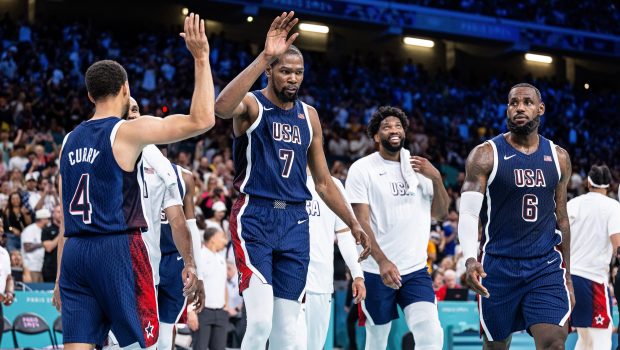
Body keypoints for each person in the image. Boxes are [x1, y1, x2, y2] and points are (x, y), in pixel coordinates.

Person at [51, 13, 214, 350]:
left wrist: (57, 278)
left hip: (76, 255)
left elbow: (67, 218)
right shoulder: (125, 132)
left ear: (89, 96)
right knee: (143, 346)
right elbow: (202, 119)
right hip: (117, 248)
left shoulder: (68, 141)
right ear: (125, 89)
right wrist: (200, 58)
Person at [213, 11, 370, 350]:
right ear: (270, 71)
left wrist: (353, 223)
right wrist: (265, 55)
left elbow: (325, 183)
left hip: (296, 221)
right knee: (259, 323)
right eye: (285, 70)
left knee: (287, 329)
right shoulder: (253, 105)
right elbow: (221, 108)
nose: (293, 78)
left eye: (298, 72)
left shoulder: (309, 115)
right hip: (255, 215)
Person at [458, 83, 574, 349]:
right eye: (513, 103)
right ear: (507, 108)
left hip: (544, 266)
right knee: (496, 346)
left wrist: (568, 275)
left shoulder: (559, 157)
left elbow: (563, 219)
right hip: (498, 266)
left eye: (527, 102)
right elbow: (467, 212)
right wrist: (469, 258)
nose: (520, 107)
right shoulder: (485, 155)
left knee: (554, 342)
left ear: (540, 109)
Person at [346, 106, 448, 350]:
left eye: (398, 126)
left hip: (415, 270)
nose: (394, 130)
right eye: (386, 127)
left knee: (431, 335)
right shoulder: (362, 169)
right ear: (376, 136)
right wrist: (382, 262)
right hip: (375, 271)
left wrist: (436, 178)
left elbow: (440, 213)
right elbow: (361, 223)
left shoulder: (420, 168)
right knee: (378, 339)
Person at [125, 97, 206, 350]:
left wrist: (197, 271)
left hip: (173, 259)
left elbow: (190, 226)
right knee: (140, 330)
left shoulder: (184, 177)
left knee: (166, 330)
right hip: (141, 256)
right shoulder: (126, 163)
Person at [294, 170, 366, 350]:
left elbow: (344, 236)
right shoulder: (286, 179)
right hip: (290, 277)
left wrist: (357, 274)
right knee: (295, 344)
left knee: (314, 346)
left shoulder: (334, 185)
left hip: (322, 281)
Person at [568, 165, 620, 350]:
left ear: (588, 182)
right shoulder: (613, 207)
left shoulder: (573, 204)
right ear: (609, 185)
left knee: (585, 339)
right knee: (602, 339)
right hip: (593, 281)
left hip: (568, 280)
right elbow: (618, 245)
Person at [188, 227, 229, 350]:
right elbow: (191, 284)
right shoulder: (199, 256)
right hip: (201, 312)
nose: (225, 241)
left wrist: (226, 305)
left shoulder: (221, 258)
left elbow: (223, 283)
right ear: (212, 239)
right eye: (222, 237)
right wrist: (191, 311)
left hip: (221, 313)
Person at [20, 208, 50, 282]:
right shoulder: (30, 229)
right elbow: (27, 247)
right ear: (42, 219)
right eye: (47, 219)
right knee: (31, 292)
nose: (49, 221)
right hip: (30, 268)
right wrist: (42, 244)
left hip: (39, 268)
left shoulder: (42, 230)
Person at [0, 225, 14, 343]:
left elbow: (9, 278)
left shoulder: (4, 253)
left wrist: (9, 292)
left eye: (1, 226)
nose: (1, 230)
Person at [41, 205, 61, 282]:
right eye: (58, 212)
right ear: (53, 214)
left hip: (65, 268)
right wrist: (61, 233)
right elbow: (49, 248)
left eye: (62, 212)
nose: (61, 214)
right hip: (50, 269)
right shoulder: (47, 230)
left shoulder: (70, 230)